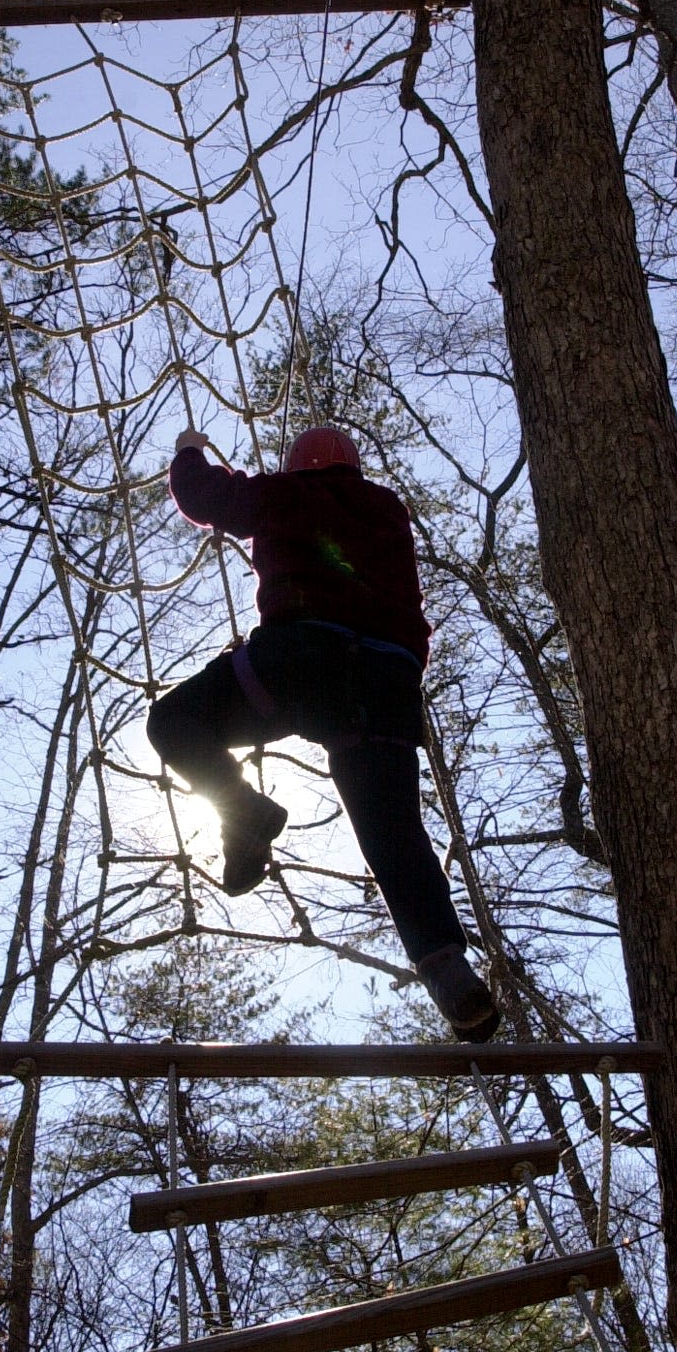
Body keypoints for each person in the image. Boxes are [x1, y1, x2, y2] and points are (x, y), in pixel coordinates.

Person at [147, 424, 500, 1042]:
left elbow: (208, 500)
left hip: (300, 664)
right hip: (386, 683)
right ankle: (448, 970)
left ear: (300, 466)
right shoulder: (389, 511)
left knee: (173, 720)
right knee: (393, 832)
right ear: (354, 466)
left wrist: (187, 451)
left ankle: (244, 813)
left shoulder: (293, 493)